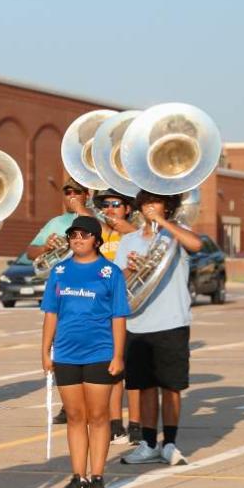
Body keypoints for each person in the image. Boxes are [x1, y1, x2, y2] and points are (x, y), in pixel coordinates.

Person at [40, 216, 128, 488]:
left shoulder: (110, 272)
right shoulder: (60, 271)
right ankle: (78, 477)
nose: (78, 239)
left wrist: (117, 355)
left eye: (84, 235)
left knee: (99, 417)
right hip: (66, 353)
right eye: (73, 235)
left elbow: (118, 316)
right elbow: (51, 313)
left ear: (97, 240)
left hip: (99, 353)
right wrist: (45, 350)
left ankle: (98, 477)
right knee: (76, 416)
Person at [118, 191, 202, 466]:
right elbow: (119, 282)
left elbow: (197, 245)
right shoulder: (128, 240)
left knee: (171, 387)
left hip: (172, 321)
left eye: (156, 203)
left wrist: (165, 225)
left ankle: (171, 444)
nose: (150, 208)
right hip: (138, 321)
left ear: (167, 207)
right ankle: (149, 442)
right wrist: (132, 270)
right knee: (144, 388)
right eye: (146, 203)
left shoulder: (177, 233)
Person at [26, 177, 93, 425]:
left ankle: (90, 401)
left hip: (89, 295)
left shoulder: (94, 218)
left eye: (77, 192)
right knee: (63, 351)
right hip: (61, 297)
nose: (71, 196)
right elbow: (30, 252)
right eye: (67, 193)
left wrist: (81, 213)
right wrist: (46, 247)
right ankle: (69, 404)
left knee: (90, 350)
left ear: (87, 194)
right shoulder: (56, 223)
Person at [93, 189, 141, 445]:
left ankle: (135, 424)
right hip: (105, 306)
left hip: (133, 305)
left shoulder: (134, 233)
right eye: (106, 205)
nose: (110, 209)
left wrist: (128, 229)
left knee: (132, 371)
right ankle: (115, 424)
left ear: (127, 209)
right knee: (112, 369)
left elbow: (147, 247)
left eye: (116, 204)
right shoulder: (99, 233)